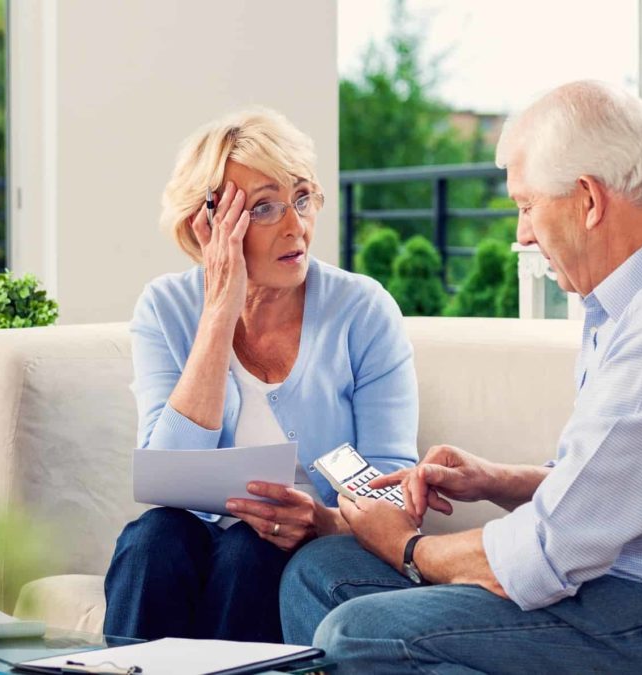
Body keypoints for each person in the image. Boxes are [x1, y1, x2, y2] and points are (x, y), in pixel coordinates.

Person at [279, 80, 642, 673]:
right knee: (321, 573)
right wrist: (495, 479)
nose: (521, 234)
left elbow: (547, 552)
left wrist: (404, 545)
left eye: (526, 206)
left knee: (359, 632)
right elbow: (610, 486)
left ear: (589, 201)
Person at [103, 108, 419, 643]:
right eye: (265, 208)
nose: (296, 226)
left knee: (252, 551)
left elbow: (395, 494)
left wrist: (321, 521)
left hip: (305, 544)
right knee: (153, 539)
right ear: (206, 227)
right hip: (188, 540)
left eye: (302, 198)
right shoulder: (165, 307)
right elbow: (166, 475)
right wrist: (219, 313)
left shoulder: (362, 309)